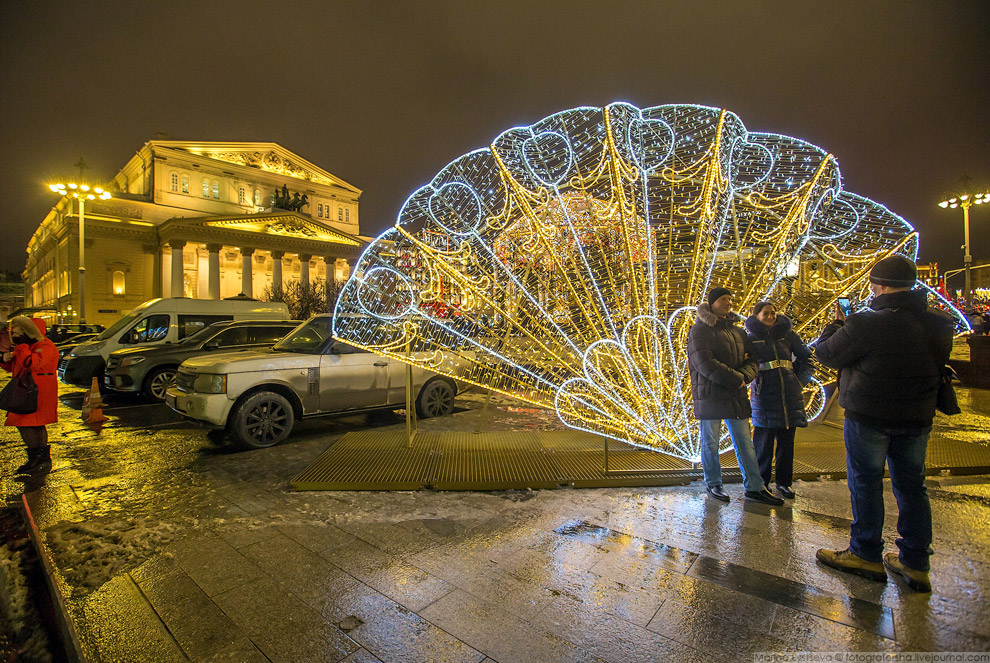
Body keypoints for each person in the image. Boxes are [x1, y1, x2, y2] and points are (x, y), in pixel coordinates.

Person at [814, 255, 953, 592]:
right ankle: (915, 562)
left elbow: (826, 354)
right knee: (912, 486)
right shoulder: (939, 323)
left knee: (866, 482)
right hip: (917, 415)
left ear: (879, 286)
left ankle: (865, 553)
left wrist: (836, 326)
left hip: (869, 416)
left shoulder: (865, 323)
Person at [688, 287, 784, 505]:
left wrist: (744, 377)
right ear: (711, 303)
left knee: (744, 442)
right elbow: (704, 363)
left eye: (730, 299)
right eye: (723, 299)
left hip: (735, 394)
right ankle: (714, 482)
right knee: (710, 443)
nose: (728, 302)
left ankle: (755, 486)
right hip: (711, 394)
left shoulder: (737, 332)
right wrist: (737, 378)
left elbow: (753, 359)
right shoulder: (699, 330)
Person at [745, 301, 815, 499]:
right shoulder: (751, 339)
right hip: (765, 396)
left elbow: (807, 358)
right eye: (765, 313)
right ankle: (762, 483)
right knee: (763, 442)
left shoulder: (787, 335)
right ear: (756, 315)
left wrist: (798, 381)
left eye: (773, 313)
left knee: (786, 442)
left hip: (788, 395)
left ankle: (784, 482)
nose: (770, 317)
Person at [1, 316, 59, 474]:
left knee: (29, 423)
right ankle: (38, 458)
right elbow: (16, 366)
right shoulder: (29, 346)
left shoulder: (44, 345)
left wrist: (21, 347)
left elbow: (31, 363)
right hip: (26, 391)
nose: (14, 335)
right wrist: (5, 359)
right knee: (31, 424)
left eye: (17, 331)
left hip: (36, 392)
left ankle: (39, 459)